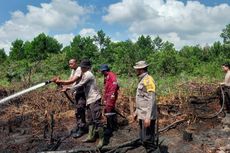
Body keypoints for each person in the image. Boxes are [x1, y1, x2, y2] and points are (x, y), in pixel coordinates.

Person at [64, 59, 105, 148]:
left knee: (97, 120)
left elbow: (80, 84)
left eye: (82, 67)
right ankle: (91, 136)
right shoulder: (85, 74)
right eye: (81, 67)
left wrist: (68, 88)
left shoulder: (88, 75)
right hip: (89, 99)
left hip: (94, 99)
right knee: (90, 119)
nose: (81, 68)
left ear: (86, 67)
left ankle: (102, 140)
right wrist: (66, 85)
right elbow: (75, 81)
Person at [53, 59, 87, 138]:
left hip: (82, 94)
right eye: (69, 64)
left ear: (76, 63)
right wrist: (61, 84)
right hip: (77, 93)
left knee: (80, 110)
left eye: (71, 64)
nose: (70, 65)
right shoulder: (73, 71)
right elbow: (69, 81)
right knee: (77, 111)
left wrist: (60, 81)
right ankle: (79, 126)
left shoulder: (79, 69)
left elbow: (72, 81)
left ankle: (82, 129)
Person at [133, 60, 157, 153]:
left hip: (147, 116)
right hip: (142, 114)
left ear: (142, 69)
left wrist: (148, 117)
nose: (136, 71)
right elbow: (141, 98)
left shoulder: (148, 80)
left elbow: (151, 99)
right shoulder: (142, 80)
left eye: (137, 69)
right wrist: (136, 112)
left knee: (148, 140)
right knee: (143, 138)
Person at [100, 64, 119, 135]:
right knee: (109, 109)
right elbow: (106, 87)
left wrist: (112, 94)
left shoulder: (111, 74)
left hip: (111, 94)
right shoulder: (105, 76)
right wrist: (105, 98)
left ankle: (110, 128)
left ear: (105, 70)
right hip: (107, 94)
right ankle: (112, 125)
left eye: (102, 71)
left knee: (108, 109)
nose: (101, 73)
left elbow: (115, 84)